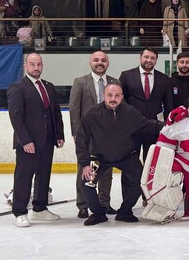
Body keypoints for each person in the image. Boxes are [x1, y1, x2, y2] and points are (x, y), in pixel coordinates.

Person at [76, 84, 163, 226]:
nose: (113, 99)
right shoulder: (91, 114)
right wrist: (85, 164)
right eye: (110, 95)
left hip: (127, 156)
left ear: (122, 97)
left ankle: (125, 211)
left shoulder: (130, 112)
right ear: (103, 96)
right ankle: (98, 213)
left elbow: (147, 125)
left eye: (117, 95)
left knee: (141, 182)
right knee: (86, 183)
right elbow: (81, 140)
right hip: (99, 158)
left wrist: (168, 126)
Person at [7, 53, 65, 228]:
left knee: (43, 174)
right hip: (28, 142)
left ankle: (40, 208)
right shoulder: (18, 87)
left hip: (47, 140)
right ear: (25, 66)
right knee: (24, 176)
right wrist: (25, 140)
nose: (36, 67)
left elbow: (55, 113)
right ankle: (20, 212)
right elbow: (16, 117)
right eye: (32, 64)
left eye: (39, 64)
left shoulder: (49, 86)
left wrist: (59, 135)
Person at [69, 51, 120, 219]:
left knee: (106, 171)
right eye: (96, 60)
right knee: (84, 170)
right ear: (90, 62)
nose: (100, 63)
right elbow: (74, 109)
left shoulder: (115, 82)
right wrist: (76, 133)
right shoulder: (80, 82)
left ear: (108, 63)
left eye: (103, 60)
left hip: (109, 136)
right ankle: (83, 205)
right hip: (87, 135)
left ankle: (104, 203)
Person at [118, 47, 174, 160]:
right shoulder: (126, 75)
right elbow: (121, 99)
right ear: (140, 57)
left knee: (151, 160)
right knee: (130, 160)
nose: (149, 60)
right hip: (132, 125)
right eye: (146, 57)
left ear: (156, 60)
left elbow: (168, 103)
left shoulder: (164, 78)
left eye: (152, 58)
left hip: (154, 126)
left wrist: (168, 124)